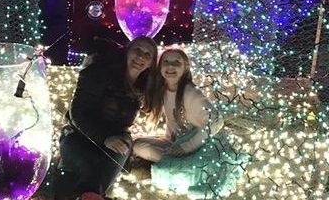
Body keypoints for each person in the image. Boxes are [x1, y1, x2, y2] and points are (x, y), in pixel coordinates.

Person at [133, 48, 243, 199]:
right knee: (139, 145)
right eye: (166, 62)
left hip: (198, 145)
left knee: (150, 152)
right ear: (159, 67)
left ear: (185, 68)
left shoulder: (190, 92)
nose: (170, 66)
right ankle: (174, 164)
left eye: (176, 62)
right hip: (175, 142)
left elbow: (216, 120)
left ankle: (182, 168)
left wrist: (187, 147)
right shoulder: (164, 89)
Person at [56, 36, 157, 200]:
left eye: (147, 54)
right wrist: (104, 138)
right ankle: (94, 194)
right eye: (137, 50)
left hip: (118, 138)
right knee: (91, 167)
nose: (140, 56)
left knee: (114, 155)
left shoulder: (145, 87)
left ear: (151, 63)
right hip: (78, 136)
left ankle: (88, 195)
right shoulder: (99, 72)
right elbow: (78, 113)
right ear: (127, 51)